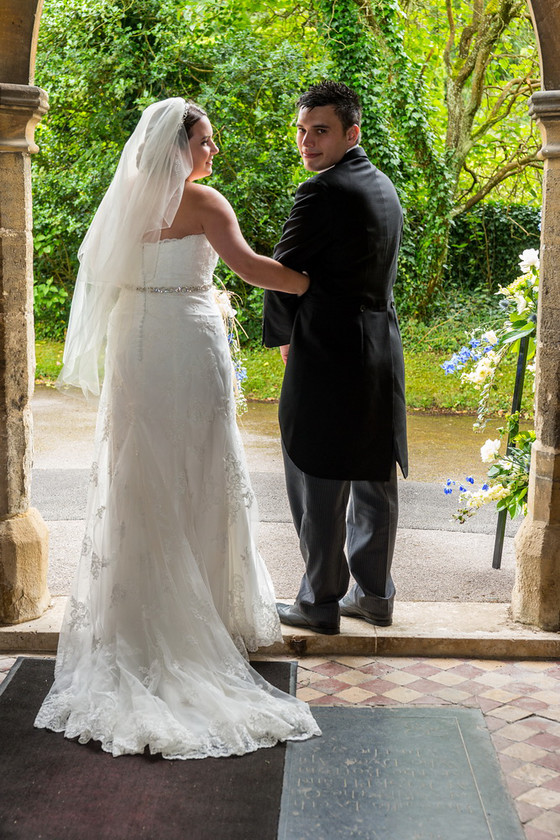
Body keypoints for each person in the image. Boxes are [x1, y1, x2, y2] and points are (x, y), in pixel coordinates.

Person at [35, 97, 320, 758]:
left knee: (139, 471)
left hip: (134, 343)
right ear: (180, 147)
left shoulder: (126, 200)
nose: (212, 153)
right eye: (206, 142)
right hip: (188, 343)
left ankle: (133, 617)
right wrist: (318, 284)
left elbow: (108, 275)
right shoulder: (206, 203)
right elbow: (251, 269)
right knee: (197, 465)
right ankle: (203, 617)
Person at [263, 81, 408, 635]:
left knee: (315, 470)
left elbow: (285, 269)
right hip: (379, 348)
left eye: (320, 131)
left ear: (352, 132)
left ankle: (320, 602)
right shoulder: (383, 187)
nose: (307, 141)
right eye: (302, 130)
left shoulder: (321, 192)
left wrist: (283, 337)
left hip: (327, 351)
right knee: (373, 470)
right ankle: (374, 595)